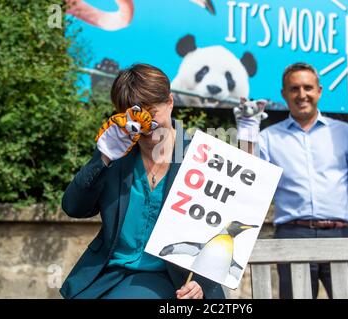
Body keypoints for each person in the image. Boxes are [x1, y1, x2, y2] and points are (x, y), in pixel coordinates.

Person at [59, 63, 225, 299]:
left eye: (150, 110)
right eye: (134, 113)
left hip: (170, 278)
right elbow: (74, 207)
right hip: (108, 275)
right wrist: (102, 158)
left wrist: (202, 282)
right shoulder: (116, 153)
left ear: (169, 102)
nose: (144, 121)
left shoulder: (203, 157)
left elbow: (225, 226)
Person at [235, 62, 348, 299]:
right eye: (294, 88)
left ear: (319, 90)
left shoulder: (345, 132)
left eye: (308, 87)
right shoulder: (268, 137)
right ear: (284, 94)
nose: (302, 95)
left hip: (342, 239)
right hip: (291, 237)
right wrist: (247, 134)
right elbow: (250, 182)